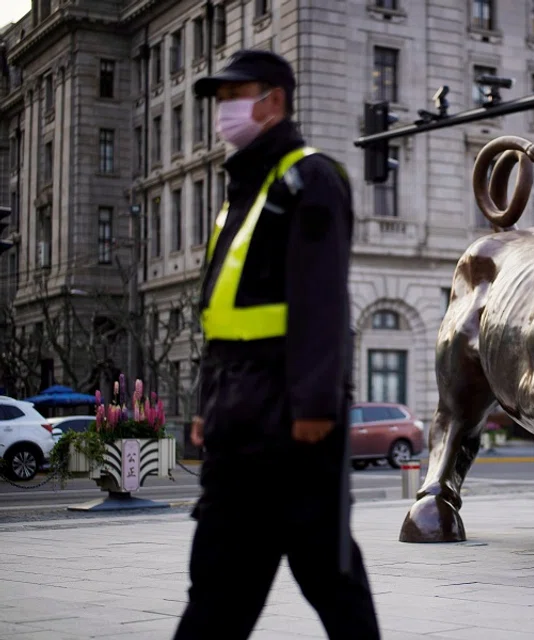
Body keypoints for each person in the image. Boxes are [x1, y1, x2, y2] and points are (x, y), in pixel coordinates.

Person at [173, 49, 380, 640]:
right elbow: (221, 322)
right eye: (222, 98)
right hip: (237, 419)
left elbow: (321, 300)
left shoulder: (309, 177)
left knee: (329, 578)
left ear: (276, 100)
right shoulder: (243, 188)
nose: (226, 108)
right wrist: (204, 407)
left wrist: (315, 407)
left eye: (239, 94)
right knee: (216, 584)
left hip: (293, 425)